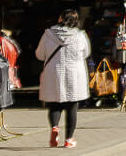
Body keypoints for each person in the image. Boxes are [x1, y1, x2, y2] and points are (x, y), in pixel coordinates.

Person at [36, 9, 90, 148]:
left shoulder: (48, 35)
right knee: (72, 106)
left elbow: (39, 55)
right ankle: (69, 139)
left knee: (54, 104)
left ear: (60, 18)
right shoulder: (80, 35)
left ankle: (54, 127)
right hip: (74, 74)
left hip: (53, 72)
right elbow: (86, 53)